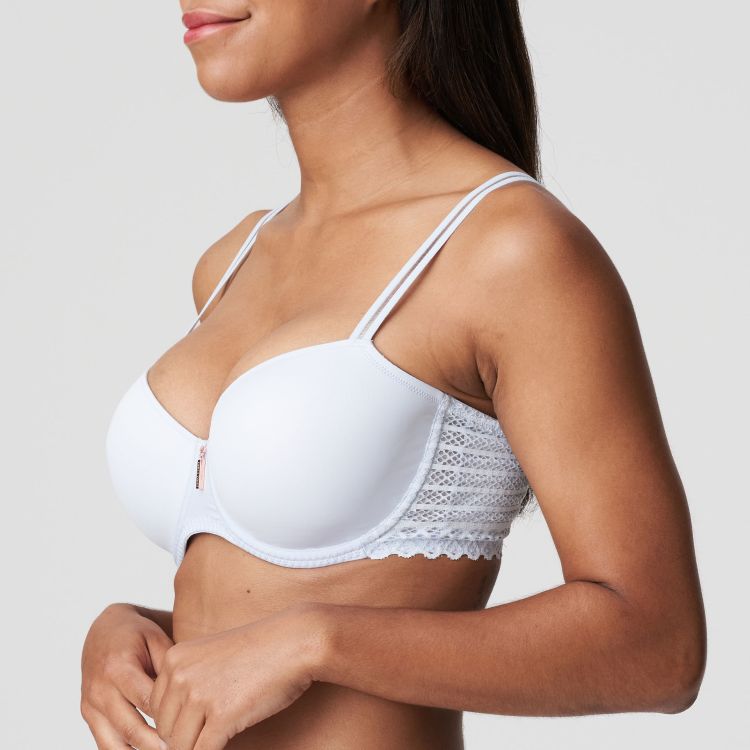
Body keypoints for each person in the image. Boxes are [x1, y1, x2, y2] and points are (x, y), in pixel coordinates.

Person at [80, 2, 706, 749]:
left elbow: (659, 646)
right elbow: (273, 609)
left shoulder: (510, 249)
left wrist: (317, 642)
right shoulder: (233, 262)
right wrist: (140, 631)